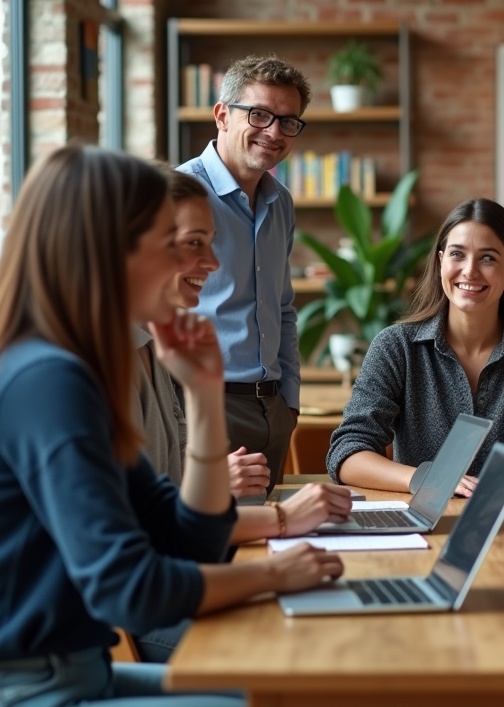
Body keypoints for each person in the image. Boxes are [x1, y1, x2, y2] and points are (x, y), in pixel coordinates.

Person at [0, 146, 343, 707]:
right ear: (111, 251)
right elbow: (131, 591)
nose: (209, 266)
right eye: (172, 244)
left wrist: (204, 396)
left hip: (72, 674)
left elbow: (188, 536)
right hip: (23, 689)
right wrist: (274, 575)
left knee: (292, 686)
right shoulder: (44, 381)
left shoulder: (75, 370)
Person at [131, 172, 354, 664]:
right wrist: (278, 533)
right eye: (194, 243)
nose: (213, 264)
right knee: (302, 653)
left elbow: (175, 522)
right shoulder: (91, 367)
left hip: (139, 603)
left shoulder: (154, 351)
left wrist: (205, 392)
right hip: (106, 635)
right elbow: (137, 563)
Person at [327, 198, 504, 496]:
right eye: (457, 254)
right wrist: (427, 478)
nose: (470, 271)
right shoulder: (395, 346)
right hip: (425, 514)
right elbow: (348, 452)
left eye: (488, 258)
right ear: (440, 262)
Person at [178, 54, 311, 500]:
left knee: (271, 532)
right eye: (259, 114)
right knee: (206, 532)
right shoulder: (178, 195)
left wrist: (289, 401)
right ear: (222, 115)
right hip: (201, 408)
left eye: (288, 122)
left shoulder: (281, 202)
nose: (274, 132)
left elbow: (282, 308)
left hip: (272, 410)